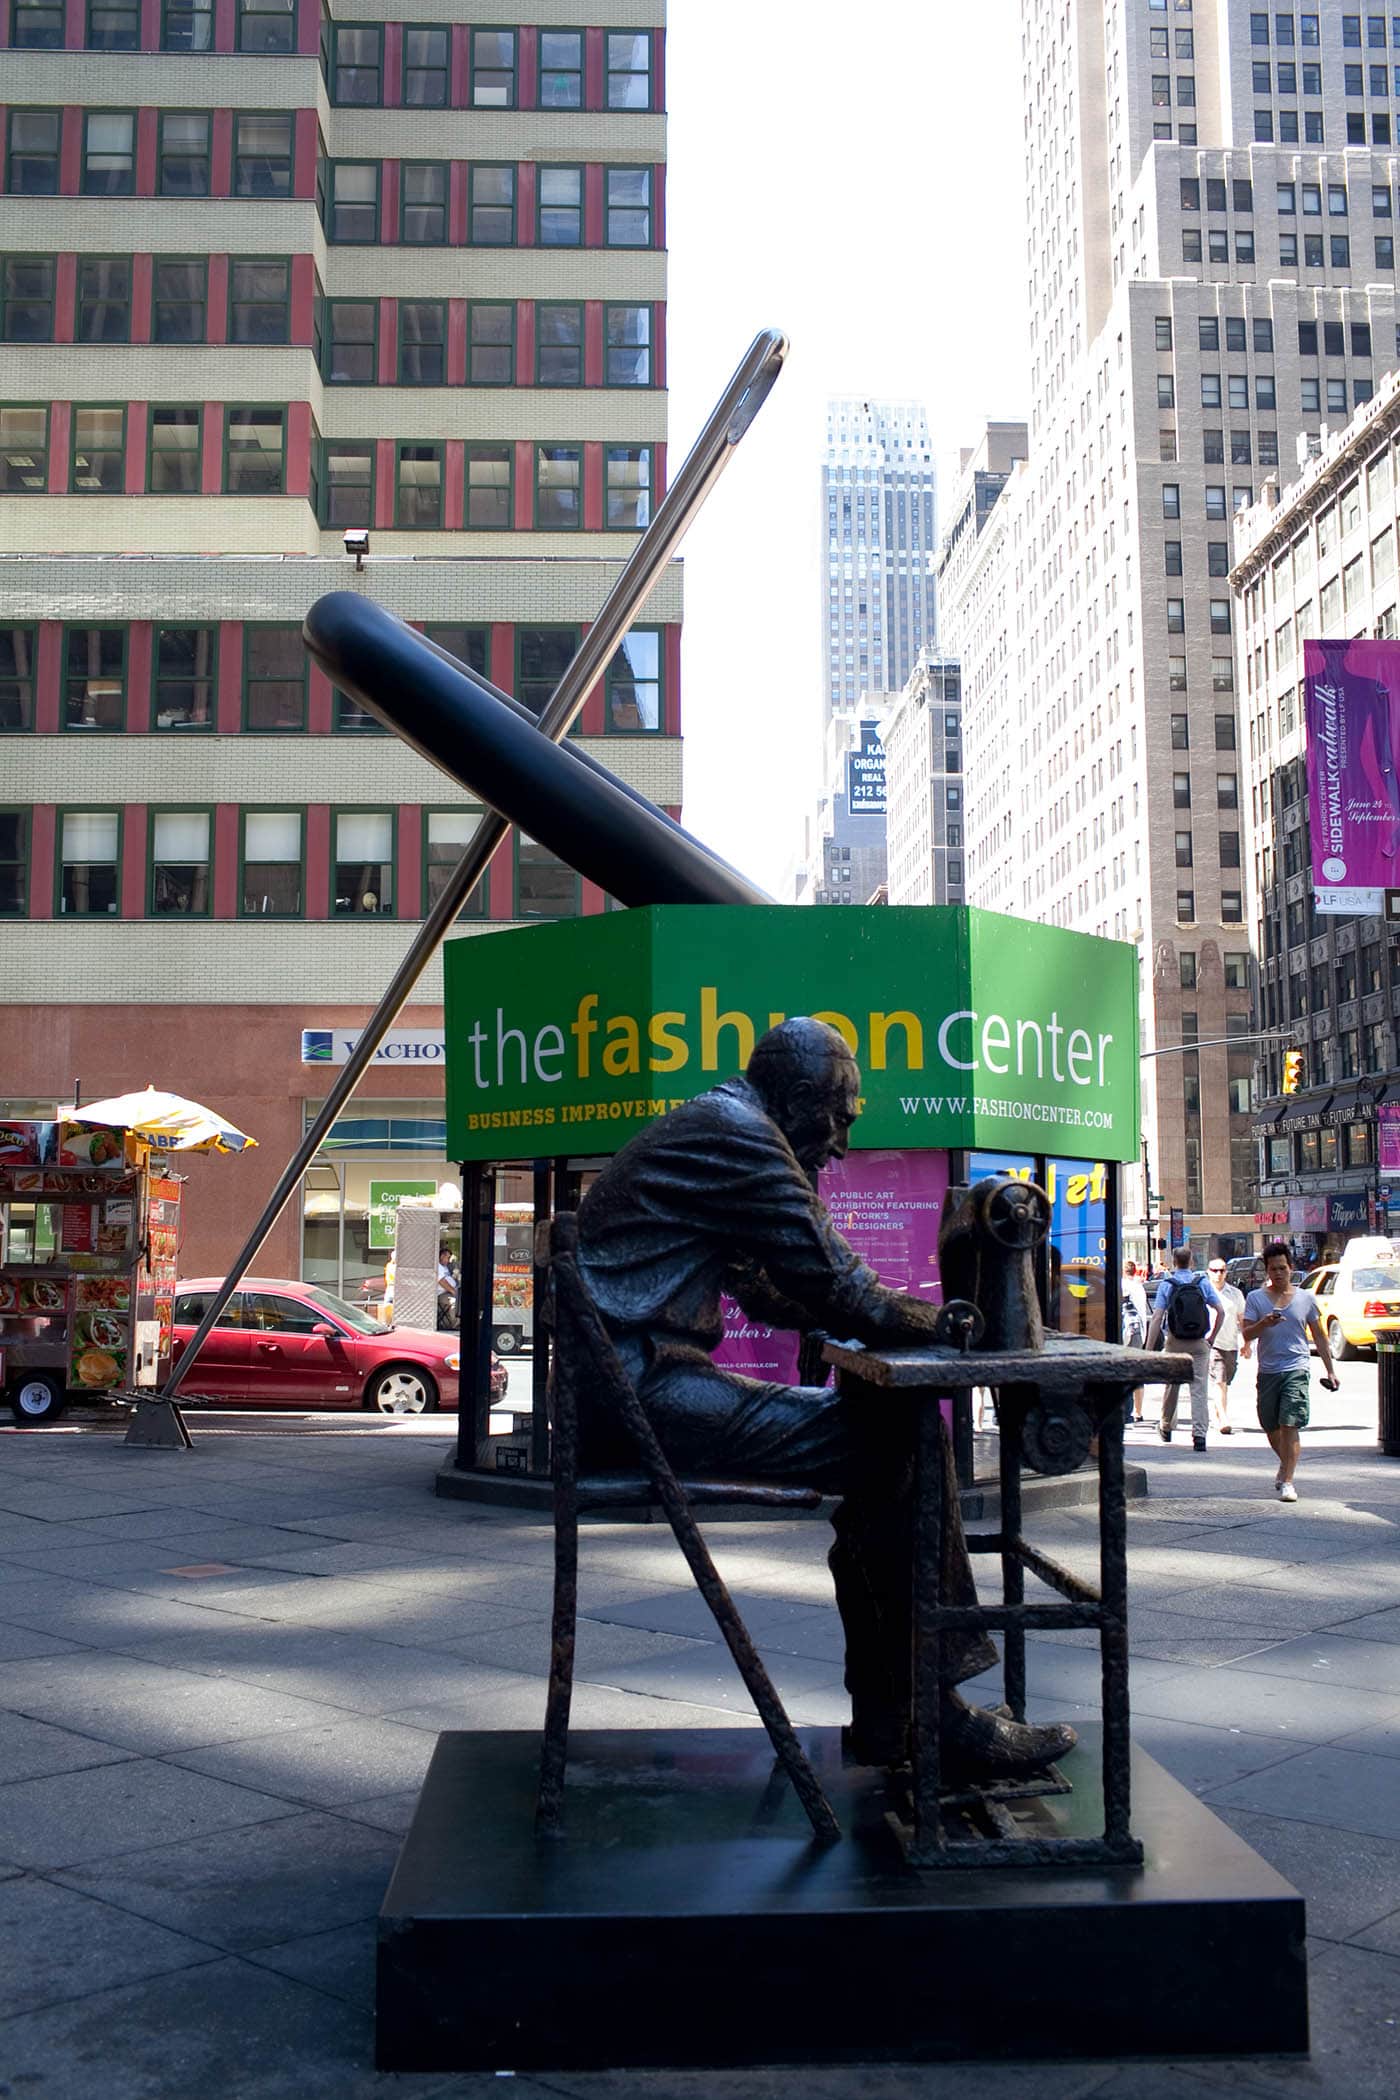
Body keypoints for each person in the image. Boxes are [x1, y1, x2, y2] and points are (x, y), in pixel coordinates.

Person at [574, 1016, 1076, 1779]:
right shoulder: (739, 1133)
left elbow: (758, 1281)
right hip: (640, 1399)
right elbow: (840, 1286)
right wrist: (942, 1320)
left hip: (633, 1385)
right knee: (900, 1439)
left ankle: (897, 1718)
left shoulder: (717, 1123)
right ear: (802, 1097)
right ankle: (931, 1717)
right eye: (839, 1119)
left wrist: (871, 1316)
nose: (841, 1143)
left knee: (888, 1448)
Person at [1242, 1240, 1339, 1502]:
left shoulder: (1306, 1298)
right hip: (1268, 1371)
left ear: (1290, 1268)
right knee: (1270, 1426)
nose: (1278, 1273)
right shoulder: (1256, 1298)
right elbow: (1247, 1333)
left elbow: (1319, 1335)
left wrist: (1330, 1370)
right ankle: (1286, 1465)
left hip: (1296, 1367)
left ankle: (1287, 1481)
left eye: (1282, 1268)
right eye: (1273, 1269)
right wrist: (1264, 1323)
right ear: (1266, 1271)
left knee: (1290, 1423)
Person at [1146, 1244, 1224, 1450]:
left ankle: (1166, 1426)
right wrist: (1212, 1337)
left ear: (1173, 1262)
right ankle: (1199, 1436)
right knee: (1198, 1388)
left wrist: (1148, 1347)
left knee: (1172, 1385)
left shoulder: (1167, 1284)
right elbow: (1220, 1311)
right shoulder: (1202, 1283)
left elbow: (1157, 1317)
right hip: (1199, 1342)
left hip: (1174, 1341)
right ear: (1191, 1262)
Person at [1205, 1257, 1249, 1435]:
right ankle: (1223, 1418)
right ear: (1208, 1271)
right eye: (1214, 1270)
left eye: (1222, 1270)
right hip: (1211, 1344)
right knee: (1219, 1381)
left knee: (1224, 1382)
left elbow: (1242, 1319)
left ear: (1226, 1272)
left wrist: (1246, 1343)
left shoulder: (1235, 1294)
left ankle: (1216, 1416)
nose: (1218, 1274)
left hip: (1231, 1344)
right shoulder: (1203, 1292)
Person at [1121, 1261, 1151, 1423]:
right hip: (1140, 1334)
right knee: (1137, 1375)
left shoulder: (1122, 1285)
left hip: (1128, 1334)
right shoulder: (1140, 1288)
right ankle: (1138, 1412)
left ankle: (1126, 1411)